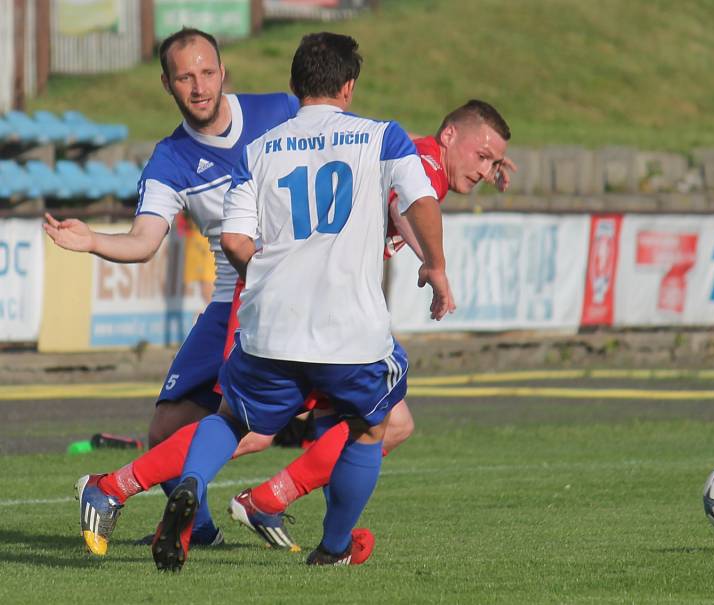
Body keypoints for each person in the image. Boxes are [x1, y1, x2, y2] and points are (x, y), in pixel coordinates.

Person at [149, 31, 455, 572]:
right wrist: (434, 264)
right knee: (371, 425)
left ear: (294, 86)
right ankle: (333, 547)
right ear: (349, 87)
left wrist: (271, 277)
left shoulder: (258, 149)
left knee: (230, 417)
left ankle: (191, 484)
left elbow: (236, 240)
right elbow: (421, 198)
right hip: (349, 329)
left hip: (271, 325)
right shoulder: (382, 137)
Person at [43, 27, 300, 554]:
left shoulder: (281, 111)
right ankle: (200, 528)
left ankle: (278, 505)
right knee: (165, 430)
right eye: (185, 77)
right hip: (232, 301)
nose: (199, 86)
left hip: (294, 298)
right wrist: (91, 238)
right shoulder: (170, 160)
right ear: (167, 84)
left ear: (223, 72)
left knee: (282, 420)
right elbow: (143, 242)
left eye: (207, 72)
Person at [229, 99, 513, 543]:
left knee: (324, 426)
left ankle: (259, 500)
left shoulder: (424, 154)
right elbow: (402, 204)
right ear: (450, 136)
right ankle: (167, 481)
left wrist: (489, 161)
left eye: (493, 162)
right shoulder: (426, 166)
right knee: (258, 429)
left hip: (310, 301)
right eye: (482, 156)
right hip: (310, 305)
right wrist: (433, 265)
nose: (483, 170)